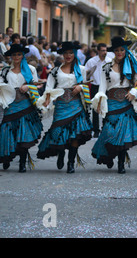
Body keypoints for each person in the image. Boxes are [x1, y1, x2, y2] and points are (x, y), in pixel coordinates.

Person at [91, 37, 137, 173]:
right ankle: (109, 156)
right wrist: (99, 103)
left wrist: (133, 91)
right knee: (110, 132)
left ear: (126, 50)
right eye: (117, 50)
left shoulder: (132, 66)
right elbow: (102, 87)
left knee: (124, 135)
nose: (119, 52)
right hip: (111, 103)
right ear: (114, 52)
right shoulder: (106, 67)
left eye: (122, 50)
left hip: (127, 103)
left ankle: (121, 164)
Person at [36, 41, 92, 173]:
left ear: (75, 54)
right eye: (66, 53)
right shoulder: (55, 71)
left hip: (76, 105)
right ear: (62, 54)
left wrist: (80, 87)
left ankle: (71, 162)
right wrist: (47, 100)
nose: (68, 55)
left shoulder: (81, 69)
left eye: (71, 53)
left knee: (75, 135)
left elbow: (85, 85)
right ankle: (60, 153)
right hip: (61, 106)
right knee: (58, 133)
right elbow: (49, 87)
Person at [0, 44, 43, 172]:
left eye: (18, 54)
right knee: (7, 130)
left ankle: (22, 163)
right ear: (11, 57)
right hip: (10, 104)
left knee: (24, 134)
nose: (16, 57)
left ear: (22, 55)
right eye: (14, 55)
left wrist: (27, 87)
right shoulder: (5, 71)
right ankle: (6, 157)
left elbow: (35, 84)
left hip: (25, 104)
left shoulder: (30, 69)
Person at [85, 43, 112, 137]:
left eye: (106, 50)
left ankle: (104, 128)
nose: (105, 52)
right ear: (98, 51)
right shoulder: (91, 61)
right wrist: (90, 73)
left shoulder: (110, 61)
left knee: (106, 107)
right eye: (103, 50)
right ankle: (96, 130)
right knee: (95, 108)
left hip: (106, 87)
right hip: (95, 86)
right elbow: (85, 75)